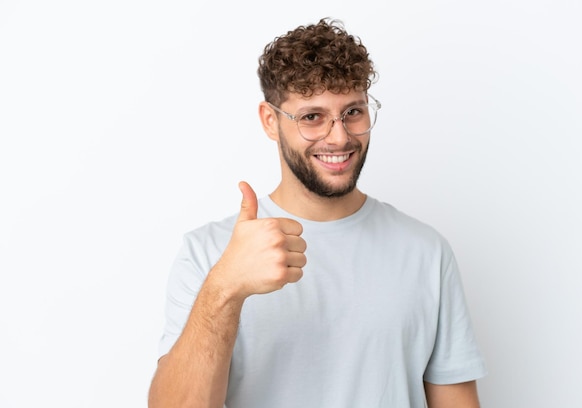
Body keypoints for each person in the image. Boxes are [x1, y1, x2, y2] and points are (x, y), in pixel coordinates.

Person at [148, 17, 487, 408]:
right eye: (312, 117)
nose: (339, 136)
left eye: (353, 112)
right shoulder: (207, 253)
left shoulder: (426, 251)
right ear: (270, 121)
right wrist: (225, 289)